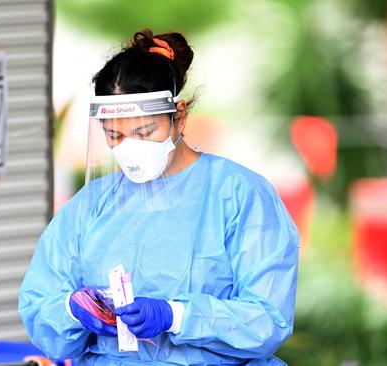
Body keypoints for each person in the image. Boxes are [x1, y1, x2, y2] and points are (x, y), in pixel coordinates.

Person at [19, 29, 299, 365]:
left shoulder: (237, 196)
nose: (129, 148)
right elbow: (40, 302)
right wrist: (72, 310)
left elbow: (267, 319)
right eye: (114, 135)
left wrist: (176, 316)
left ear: (178, 116)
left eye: (143, 132)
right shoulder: (91, 205)